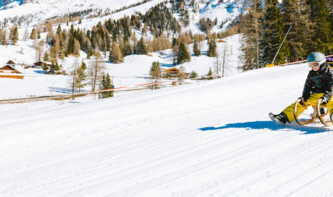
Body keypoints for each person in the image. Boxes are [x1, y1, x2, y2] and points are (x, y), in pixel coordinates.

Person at [269, 52, 333, 126]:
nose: (313, 67)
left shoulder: (329, 72)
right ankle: (283, 117)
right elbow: (307, 86)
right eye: (310, 65)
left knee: (331, 102)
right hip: (318, 95)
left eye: (315, 64)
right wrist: (305, 96)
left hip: (330, 94)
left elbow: (331, 86)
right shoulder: (311, 73)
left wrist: (326, 96)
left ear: (322, 63)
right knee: (301, 102)